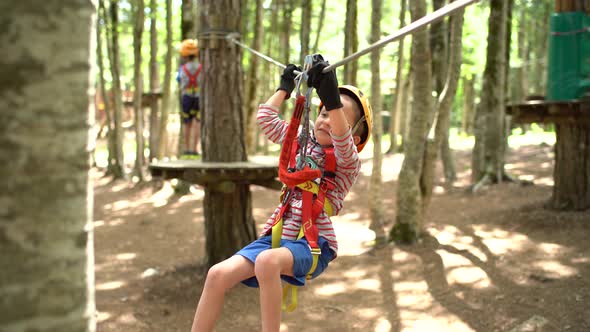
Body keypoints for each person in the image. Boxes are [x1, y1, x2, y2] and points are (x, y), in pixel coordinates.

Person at [190, 55, 372, 332]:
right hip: (278, 236)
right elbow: (265, 118)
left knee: (266, 262)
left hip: (314, 242)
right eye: (323, 112)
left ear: (354, 136)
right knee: (217, 274)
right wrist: (285, 87)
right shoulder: (299, 142)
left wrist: (333, 99)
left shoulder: (347, 162)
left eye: (337, 118)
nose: (325, 120)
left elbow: (342, 142)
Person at [178, 39, 202, 156]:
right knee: (198, 122)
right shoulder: (201, 67)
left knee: (187, 123)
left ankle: (187, 149)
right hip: (198, 97)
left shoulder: (183, 69)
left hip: (187, 97)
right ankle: (195, 149)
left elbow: (179, 80)